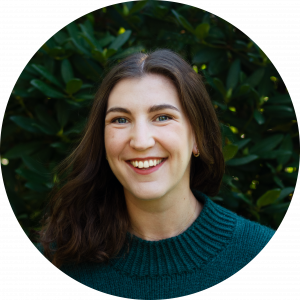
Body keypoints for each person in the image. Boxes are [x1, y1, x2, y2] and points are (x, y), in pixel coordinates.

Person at [32, 48, 276, 298]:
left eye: (162, 117)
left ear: (198, 138)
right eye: (120, 120)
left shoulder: (257, 250)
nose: (140, 141)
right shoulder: (58, 258)